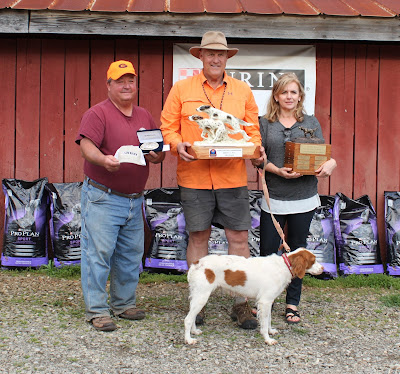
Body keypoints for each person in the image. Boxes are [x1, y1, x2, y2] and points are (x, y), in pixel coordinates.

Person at [160, 31, 264, 329]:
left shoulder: (242, 90)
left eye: (220, 54)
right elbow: (168, 127)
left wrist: (255, 150)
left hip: (232, 177)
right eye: (210, 53)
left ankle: (241, 304)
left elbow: (252, 131)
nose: (215, 58)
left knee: (239, 238)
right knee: (198, 237)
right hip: (193, 177)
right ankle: (198, 300)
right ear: (200, 57)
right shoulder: (182, 88)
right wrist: (177, 144)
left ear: (227, 58)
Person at [76, 60, 165, 331]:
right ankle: (97, 310)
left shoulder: (144, 115)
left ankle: (124, 304)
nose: (127, 85)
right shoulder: (98, 113)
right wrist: (103, 160)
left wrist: (157, 155)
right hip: (103, 196)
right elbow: (86, 146)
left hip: (134, 198)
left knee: (130, 253)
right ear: (109, 85)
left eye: (131, 80)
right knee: (98, 253)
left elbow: (158, 152)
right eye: (120, 80)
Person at [252, 73, 336, 324]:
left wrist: (331, 163)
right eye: (284, 92)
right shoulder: (264, 123)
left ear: (300, 96)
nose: (289, 97)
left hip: (304, 197)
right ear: (276, 96)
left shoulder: (310, 121)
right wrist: (275, 170)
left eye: (294, 92)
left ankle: (292, 303)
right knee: (268, 252)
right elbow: (256, 159)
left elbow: (322, 155)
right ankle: (264, 299)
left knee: (299, 251)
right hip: (274, 197)